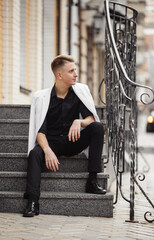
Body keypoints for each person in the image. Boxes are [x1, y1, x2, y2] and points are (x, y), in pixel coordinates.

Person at [23, 55, 106, 217]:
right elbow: (39, 131)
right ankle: (32, 202)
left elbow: (91, 118)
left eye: (75, 70)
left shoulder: (79, 92)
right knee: (35, 154)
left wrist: (79, 122)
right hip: (51, 143)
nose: (76, 74)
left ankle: (92, 181)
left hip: (72, 141)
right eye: (71, 71)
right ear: (59, 75)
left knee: (96, 127)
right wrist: (47, 150)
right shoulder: (42, 98)